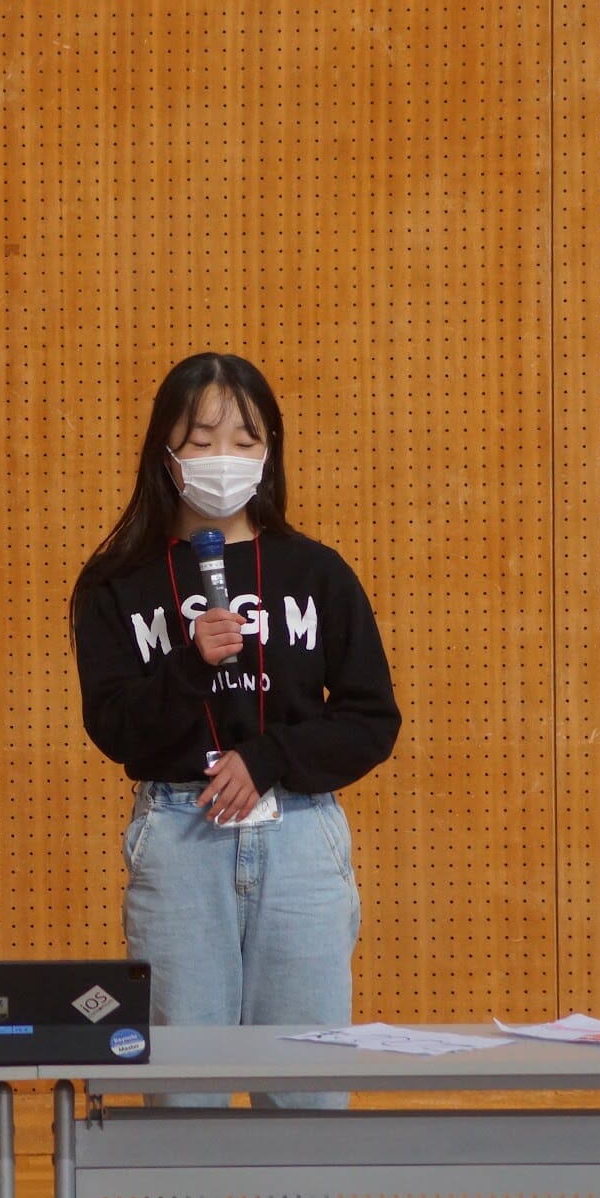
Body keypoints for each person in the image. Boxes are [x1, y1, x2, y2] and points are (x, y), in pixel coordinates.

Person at [71, 352, 400, 1111]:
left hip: (299, 838)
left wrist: (270, 756)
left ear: (270, 451)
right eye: (202, 440)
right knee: (185, 1097)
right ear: (165, 452)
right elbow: (115, 726)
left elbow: (370, 718)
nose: (224, 458)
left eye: (245, 441)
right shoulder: (116, 584)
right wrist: (189, 666)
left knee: (306, 1094)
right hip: (180, 836)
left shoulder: (316, 573)